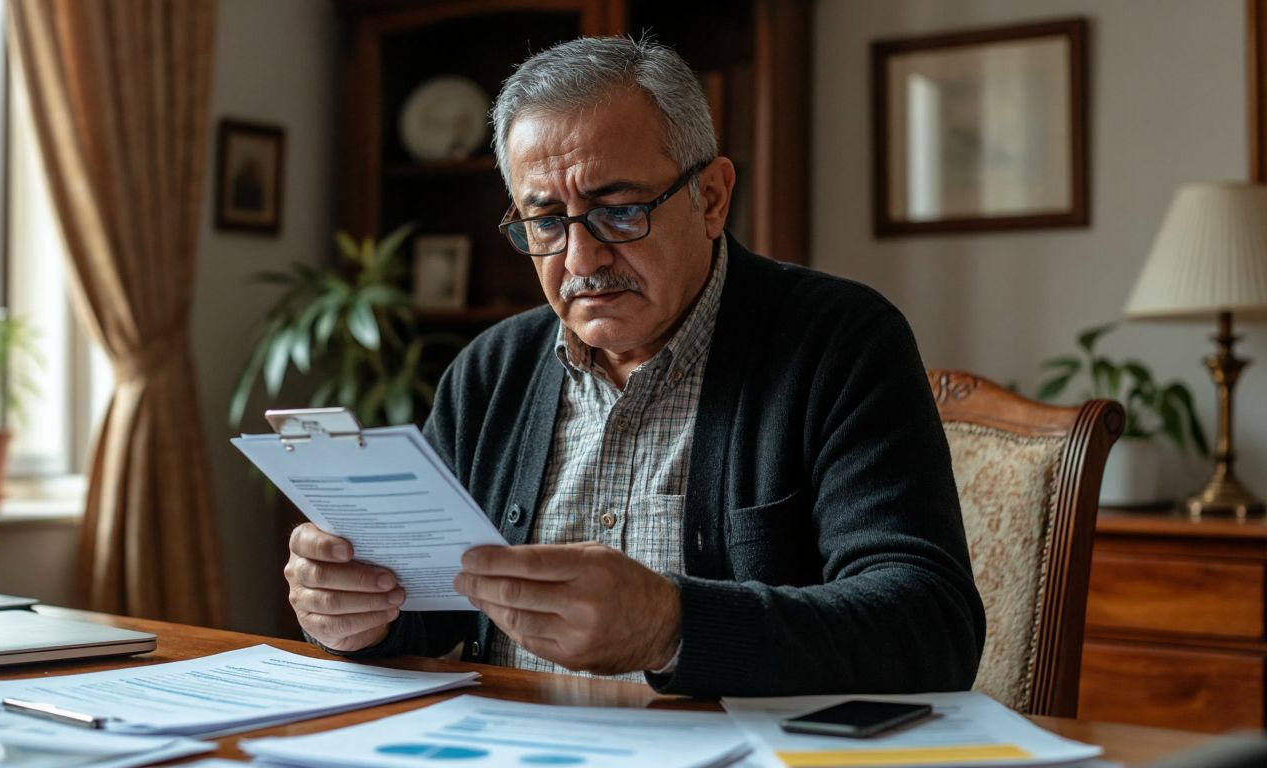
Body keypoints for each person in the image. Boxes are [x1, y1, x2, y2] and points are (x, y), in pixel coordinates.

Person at [284, 36, 984, 697]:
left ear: (711, 197)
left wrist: (671, 625)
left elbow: (930, 626)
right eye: (547, 221)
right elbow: (429, 615)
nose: (582, 260)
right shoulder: (491, 371)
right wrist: (357, 614)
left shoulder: (839, 344)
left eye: (618, 211)